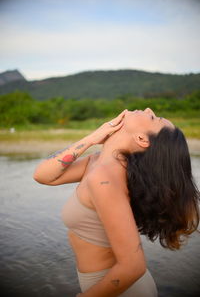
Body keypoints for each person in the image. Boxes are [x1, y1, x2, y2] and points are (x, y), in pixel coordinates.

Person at [33, 108, 200, 297]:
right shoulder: (97, 162)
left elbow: (133, 266)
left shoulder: (105, 178)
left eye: (153, 117)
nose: (148, 109)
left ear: (142, 139)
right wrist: (93, 137)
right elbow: (43, 175)